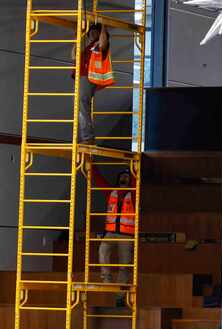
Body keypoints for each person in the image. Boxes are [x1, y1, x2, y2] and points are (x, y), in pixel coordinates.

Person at [99, 171, 135, 304]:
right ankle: (107, 280)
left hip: (126, 235)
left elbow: (136, 179)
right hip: (110, 232)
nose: (124, 178)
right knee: (102, 251)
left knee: (124, 265)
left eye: (127, 177)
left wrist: (134, 169)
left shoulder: (134, 194)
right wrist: (91, 165)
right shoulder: (111, 193)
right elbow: (99, 181)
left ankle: (119, 295)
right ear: (118, 179)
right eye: (122, 176)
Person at [72, 23, 109, 145]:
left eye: (95, 31)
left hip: (89, 76)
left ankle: (88, 137)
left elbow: (103, 42)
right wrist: (80, 35)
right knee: (82, 105)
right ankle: (87, 137)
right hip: (83, 76)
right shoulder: (88, 47)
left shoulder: (99, 45)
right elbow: (73, 55)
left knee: (82, 104)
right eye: (91, 31)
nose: (92, 33)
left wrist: (104, 27)